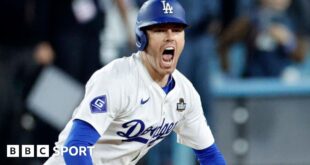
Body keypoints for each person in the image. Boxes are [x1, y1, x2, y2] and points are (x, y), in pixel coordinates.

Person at [44, 0, 226, 164]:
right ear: (142, 38)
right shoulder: (116, 79)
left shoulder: (185, 93)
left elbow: (210, 156)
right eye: (160, 30)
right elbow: (75, 149)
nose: (170, 37)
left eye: (177, 30)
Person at [217, 0, 306, 78]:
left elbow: (301, 56)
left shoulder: (292, 22)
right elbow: (223, 43)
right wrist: (227, 70)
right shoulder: (250, 21)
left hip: (282, 82)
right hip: (254, 81)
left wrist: (288, 41)